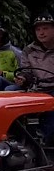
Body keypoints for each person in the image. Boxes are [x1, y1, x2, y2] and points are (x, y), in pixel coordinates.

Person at [14, 12, 54, 141]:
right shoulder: (28, 50)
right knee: (10, 95)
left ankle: (45, 141)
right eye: (38, 29)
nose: (41, 32)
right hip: (37, 89)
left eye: (45, 28)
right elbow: (26, 71)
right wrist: (23, 78)